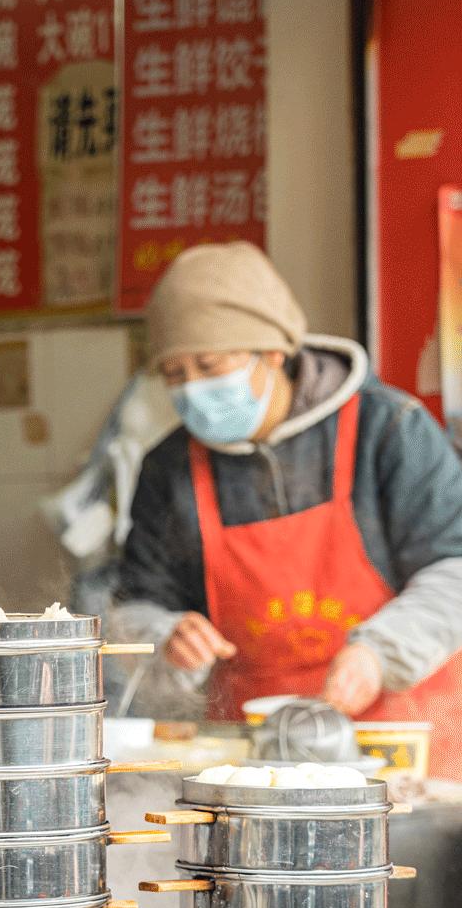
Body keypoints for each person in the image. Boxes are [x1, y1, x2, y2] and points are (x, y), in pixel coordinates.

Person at [113, 242, 462, 777]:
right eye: (174, 373)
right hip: (253, 756)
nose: (193, 388)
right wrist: (166, 636)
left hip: (405, 741)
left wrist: (380, 654)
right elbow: (134, 608)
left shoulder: (388, 428)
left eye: (210, 365)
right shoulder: (170, 468)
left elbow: (454, 570)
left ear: (273, 352)